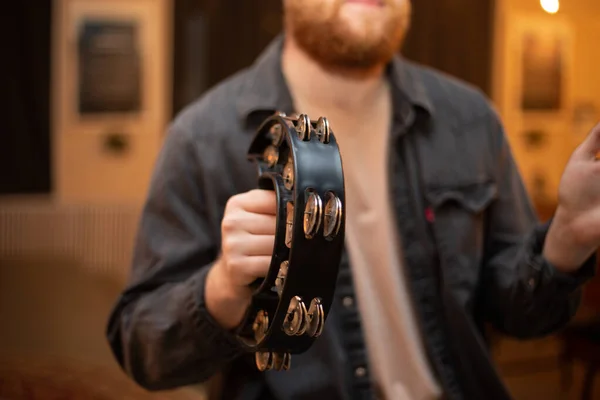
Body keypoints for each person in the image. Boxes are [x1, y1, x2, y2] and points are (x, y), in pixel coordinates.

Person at [106, 0, 600, 399]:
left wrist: (567, 239)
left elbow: (521, 315)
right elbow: (141, 349)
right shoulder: (201, 139)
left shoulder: (471, 119)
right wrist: (224, 289)